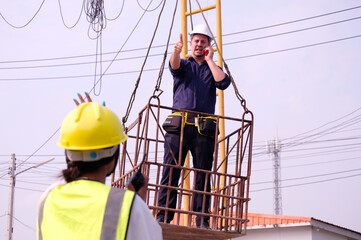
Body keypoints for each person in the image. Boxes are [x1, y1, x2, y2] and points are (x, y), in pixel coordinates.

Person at [37, 93, 162, 240]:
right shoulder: (127, 206)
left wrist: (87, 129)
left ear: (68, 154)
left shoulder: (48, 200)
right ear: (113, 158)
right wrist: (138, 203)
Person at [157, 24, 231, 228]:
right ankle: (163, 216)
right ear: (191, 43)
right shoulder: (184, 64)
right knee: (170, 171)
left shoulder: (212, 68)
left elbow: (223, 83)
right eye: (196, 41)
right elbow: (173, 66)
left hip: (202, 131)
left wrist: (209, 60)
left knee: (203, 176)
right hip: (179, 128)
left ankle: (202, 220)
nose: (199, 45)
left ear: (208, 46)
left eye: (203, 42)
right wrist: (176, 50)